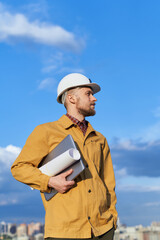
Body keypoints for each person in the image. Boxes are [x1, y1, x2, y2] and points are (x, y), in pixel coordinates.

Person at [11, 73, 117, 240]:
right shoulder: (45, 132)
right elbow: (19, 168)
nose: (94, 99)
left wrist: (112, 218)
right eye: (88, 94)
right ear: (71, 98)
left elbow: (108, 182)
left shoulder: (99, 139)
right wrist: (50, 181)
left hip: (102, 229)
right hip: (65, 231)